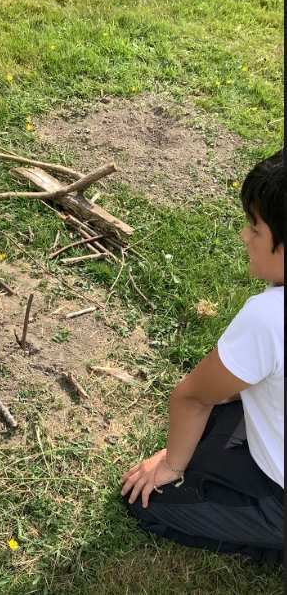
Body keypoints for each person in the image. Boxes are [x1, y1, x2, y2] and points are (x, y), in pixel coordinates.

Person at [120, 149, 284, 565]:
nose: (245, 236)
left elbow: (192, 397)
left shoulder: (269, 318)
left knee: (149, 504)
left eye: (255, 227)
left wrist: (171, 465)